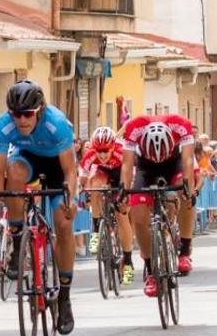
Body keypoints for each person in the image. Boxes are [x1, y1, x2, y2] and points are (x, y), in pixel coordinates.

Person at [0, 80, 77, 334]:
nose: (21, 121)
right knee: (12, 173)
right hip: (27, 160)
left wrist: (70, 201)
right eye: (16, 114)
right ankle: (18, 245)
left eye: (27, 114)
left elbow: (70, 171)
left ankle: (65, 296)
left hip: (58, 167)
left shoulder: (56, 123)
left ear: (38, 111)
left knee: (63, 224)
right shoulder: (4, 126)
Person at [120, 114, 196, 297]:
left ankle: (184, 250)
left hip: (174, 164)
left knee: (185, 196)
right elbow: (127, 165)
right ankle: (151, 271)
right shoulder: (134, 128)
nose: (158, 159)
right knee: (138, 216)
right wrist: (123, 191)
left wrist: (188, 188)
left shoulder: (181, 125)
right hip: (145, 168)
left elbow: (187, 161)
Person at [79, 126, 134, 285]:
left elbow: (131, 174)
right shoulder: (90, 154)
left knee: (122, 217)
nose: (102, 154)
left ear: (112, 147)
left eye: (105, 151)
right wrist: (84, 193)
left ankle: (128, 261)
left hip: (122, 173)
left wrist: (126, 195)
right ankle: (96, 230)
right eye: (99, 151)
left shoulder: (122, 150)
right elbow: (83, 180)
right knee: (95, 186)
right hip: (102, 173)